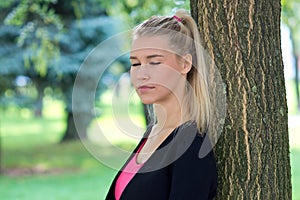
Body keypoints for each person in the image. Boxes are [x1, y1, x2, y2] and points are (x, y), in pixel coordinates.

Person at [106, 9, 217, 200]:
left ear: (185, 64)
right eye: (135, 64)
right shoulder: (153, 133)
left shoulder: (191, 149)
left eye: (155, 62)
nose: (142, 74)